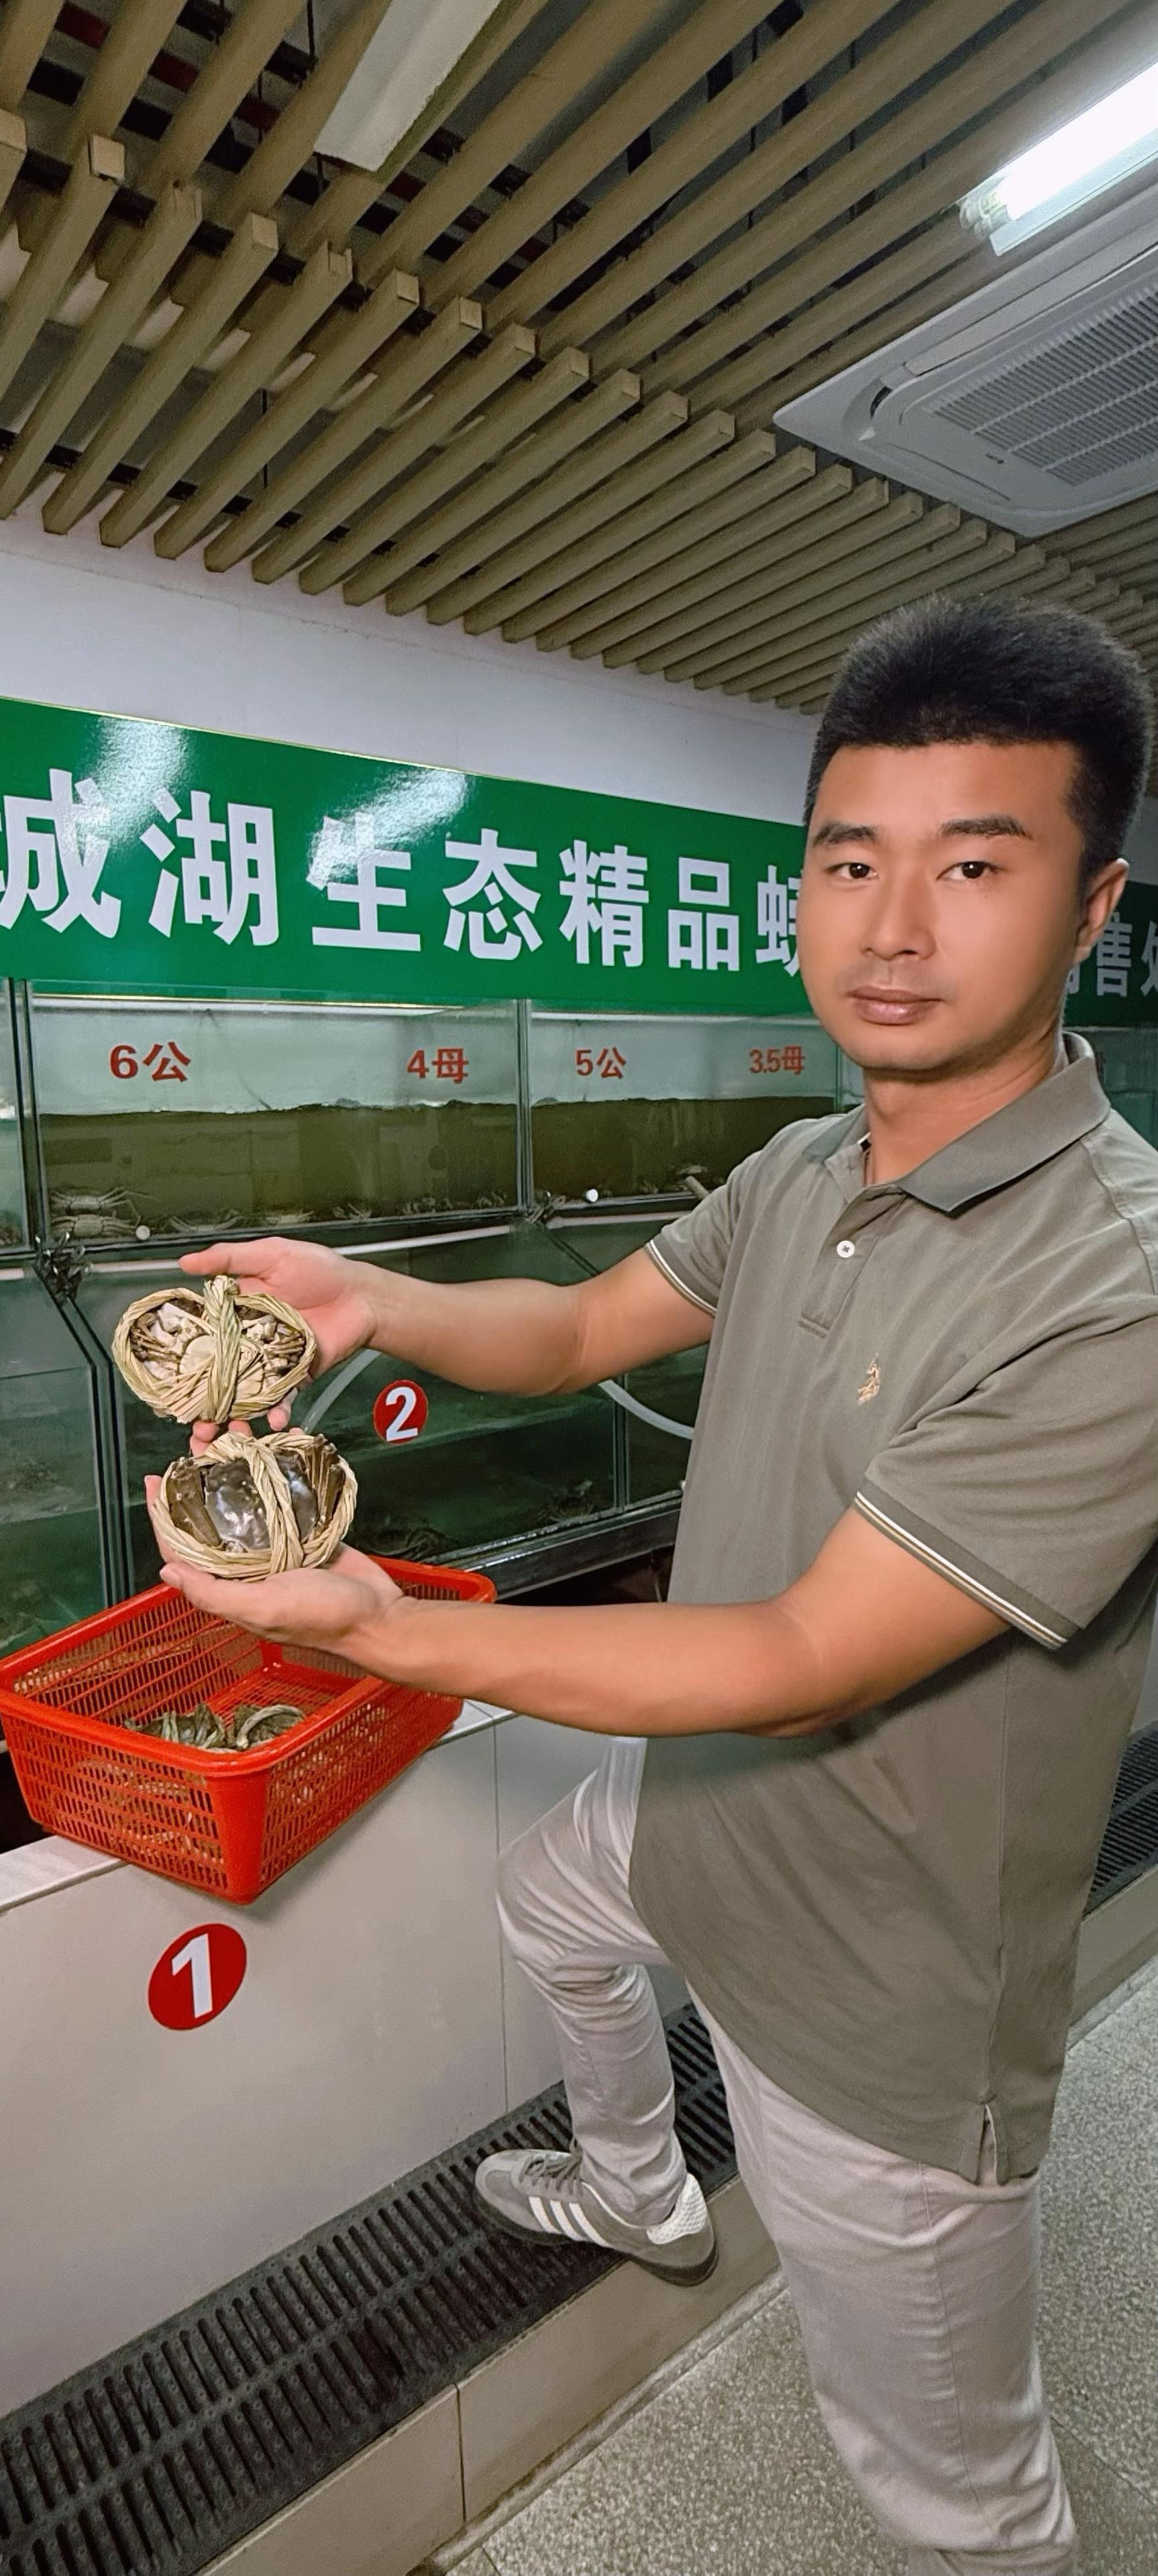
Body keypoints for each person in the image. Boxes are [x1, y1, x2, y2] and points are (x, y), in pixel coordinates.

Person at [156, 595, 1158, 2576]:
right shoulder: (803, 1171)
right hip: (699, 1825)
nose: (893, 926)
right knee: (552, 1900)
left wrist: (393, 1633)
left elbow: (802, 1656)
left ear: (1094, 907)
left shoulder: (1112, 1285)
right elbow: (578, 1326)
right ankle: (639, 2185)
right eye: (850, 862)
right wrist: (371, 1298)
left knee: (956, 2499)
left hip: (881, 1997)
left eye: (975, 868)